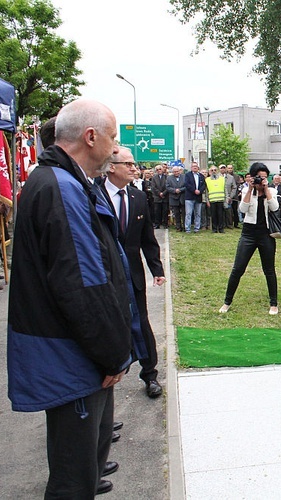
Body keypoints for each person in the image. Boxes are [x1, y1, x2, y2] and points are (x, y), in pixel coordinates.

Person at [8, 99, 133, 497]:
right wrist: (113, 354)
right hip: (73, 358)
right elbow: (83, 286)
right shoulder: (61, 187)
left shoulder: (59, 181)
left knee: (84, 468)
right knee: (73, 480)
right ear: (90, 136)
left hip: (75, 354)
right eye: (112, 138)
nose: (116, 150)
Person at [100, 146, 165, 399]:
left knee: (141, 323)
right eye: (127, 163)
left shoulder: (138, 197)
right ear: (111, 167)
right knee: (110, 325)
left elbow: (147, 237)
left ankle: (150, 374)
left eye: (133, 164)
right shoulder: (95, 195)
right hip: (105, 275)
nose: (133, 168)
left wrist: (156, 269)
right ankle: (107, 381)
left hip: (133, 273)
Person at [219, 163, 280, 315]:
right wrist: (251, 189)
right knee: (238, 268)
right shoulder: (247, 190)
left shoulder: (271, 190)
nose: (262, 180)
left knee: (269, 269)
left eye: (265, 177)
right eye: (259, 177)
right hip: (248, 233)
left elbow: (274, 208)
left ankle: (273, 303)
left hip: (266, 233)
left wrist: (266, 189)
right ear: (252, 177)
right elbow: (242, 209)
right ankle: (227, 301)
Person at [184, 162, 207, 233]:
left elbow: (204, 185)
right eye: (193, 166)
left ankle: (197, 228)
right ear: (191, 168)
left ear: (198, 168)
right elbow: (187, 184)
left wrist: (199, 191)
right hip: (189, 197)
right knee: (188, 213)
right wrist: (194, 190)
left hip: (198, 197)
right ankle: (187, 228)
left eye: (196, 166)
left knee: (198, 213)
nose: (195, 167)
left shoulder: (201, 176)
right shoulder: (187, 175)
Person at [205, 165, 226, 233]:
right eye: (212, 170)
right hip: (212, 200)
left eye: (215, 170)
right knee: (213, 215)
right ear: (209, 172)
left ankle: (221, 229)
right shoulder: (207, 180)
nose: (213, 171)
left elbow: (225, 190)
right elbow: (206, 192)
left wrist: (226, 199)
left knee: (221, 215)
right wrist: (207, 200)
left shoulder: (222, 179)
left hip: (221, 200)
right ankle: (214, 229)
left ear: (217, 171)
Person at [166, 166, 186, 232]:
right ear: (172, 172)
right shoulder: (169, 178)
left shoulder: (184, 177)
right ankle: (178, 227)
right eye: (174, 172)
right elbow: (167, 187)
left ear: (179, 171)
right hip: (174, 198)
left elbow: (187, 186)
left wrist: (180, 190)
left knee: (184, 213)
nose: (176, 173)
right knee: (176, 214)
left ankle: (185, 226)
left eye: (177, 171)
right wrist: (175, 190)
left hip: (182, 197)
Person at [150, 164, 168, 229]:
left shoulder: (166, 177)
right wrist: (159, 193)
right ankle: (157, 224)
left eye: (160, 169)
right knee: (157, 211)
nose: (158, 170)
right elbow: (153, 187)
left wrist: (163, 193)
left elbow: (167, 186)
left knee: (165, 211)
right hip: (157, 197)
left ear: (162, 169)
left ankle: (165, 224)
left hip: (165, 197)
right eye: (157, 170)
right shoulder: (154, 178)